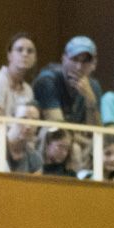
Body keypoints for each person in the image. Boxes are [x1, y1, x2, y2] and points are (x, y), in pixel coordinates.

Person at [33, 35, 102, 168]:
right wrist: (88, 143)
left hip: (80, 144)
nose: (78, 66)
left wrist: (90, 100)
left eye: (85, 61)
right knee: (74, 148)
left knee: (104, 150)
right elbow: (58, 129)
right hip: (49, 142)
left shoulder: (93, 87)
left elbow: (96, 133)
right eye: (74, 59)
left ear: (93, 64)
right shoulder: (48, 81)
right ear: (63, 58)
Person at [4, 102, 42, 174]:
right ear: (10, 120)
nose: (28, 126)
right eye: (24, 118)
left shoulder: (35, 158)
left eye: (34, 121)